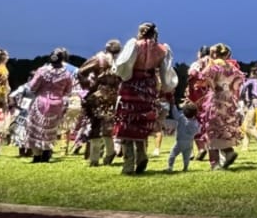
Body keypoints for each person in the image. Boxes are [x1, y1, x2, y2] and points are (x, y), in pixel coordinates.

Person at [113, 22, 178, 175]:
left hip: (131, 87)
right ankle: (141, 154)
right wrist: (165, 88)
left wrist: (123, 75)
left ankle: (128, 164)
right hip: (148, 88)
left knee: (126, 122)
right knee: (142, 122)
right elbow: (165, 74)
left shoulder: (134, 45)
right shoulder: (162, 49)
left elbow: (123, 66)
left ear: (141, 32)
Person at [197, 43, 243, 170]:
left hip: (216, 99)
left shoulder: (214, 64)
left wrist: (212, 85)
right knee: (224, 128)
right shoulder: (232, 67)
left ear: (215, 53)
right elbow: (238, 81)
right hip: (228, 99)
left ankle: (215, 163)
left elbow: (203, 76)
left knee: (211, 129)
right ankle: (228, 151)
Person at [77, 39, 123, 167]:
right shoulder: (121, 60)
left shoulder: (99, 58)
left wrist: (87, 85)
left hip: (99, 94)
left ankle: (95, 158)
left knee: (96, 125)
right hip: (114, 96)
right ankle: (109, 153)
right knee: (108, 126)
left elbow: (81, 71)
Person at [26, 48, 76, 163]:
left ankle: (36, 155)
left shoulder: (42, 71)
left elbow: (33, 87)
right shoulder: (67, 74)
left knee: (37, 128)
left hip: (41, 102)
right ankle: (46, 152)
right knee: (51, 129)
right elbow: (68, 91)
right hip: (57, 103)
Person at [185, 46, 211, 160]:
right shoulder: (213, 63)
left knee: (194, 123)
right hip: (210, 97)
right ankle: (215, 149)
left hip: (196, 97)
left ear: (200, 53)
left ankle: (200, 148)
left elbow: (192, 75)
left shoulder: (196, 64)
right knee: (208, 122)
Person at [166, 101, 199, 172]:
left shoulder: (181, 118)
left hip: (180, 142)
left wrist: (173, 104)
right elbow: (197, 131)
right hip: (190, 142)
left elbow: (175, 114)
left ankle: (170, 167)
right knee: (186, 157)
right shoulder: (195, 122)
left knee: (172, 154)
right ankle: (185, 168)